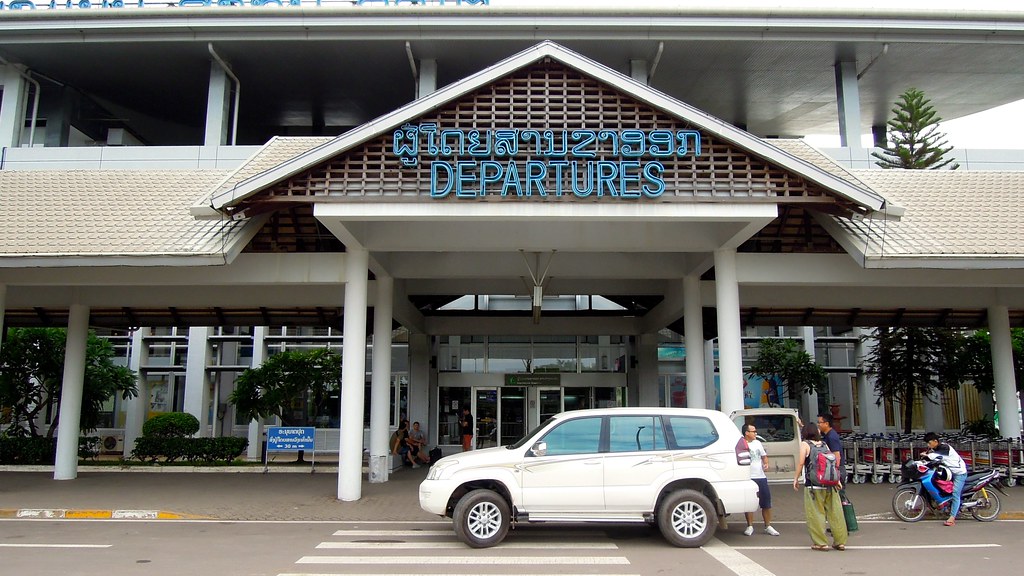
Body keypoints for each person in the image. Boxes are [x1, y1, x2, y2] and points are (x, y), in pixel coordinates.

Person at [794, 423, 848, 551]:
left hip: (814, 485)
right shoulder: (824, 444)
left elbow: (801, 462)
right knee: (835, 513)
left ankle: (821, 543)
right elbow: (833, 462)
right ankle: (840, 542)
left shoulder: (805, 444)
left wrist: (796, 478)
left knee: (816, 513)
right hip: (831, 484)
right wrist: (837, 480)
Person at [922, 431, 968, 526]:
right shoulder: (936, 448)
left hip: (959, 473)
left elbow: (936, 456)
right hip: (950, 473)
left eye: (929, 443)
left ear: (935, 441)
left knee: (955, 493)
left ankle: (952, 518)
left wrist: (927, 456)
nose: (928, 445)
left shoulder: (944, 448)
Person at [742, 423, 780, 536]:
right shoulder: (741, 444)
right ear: (746, 433)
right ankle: (749, 526)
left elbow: (764, 456)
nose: (755, 433)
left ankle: (768, 525)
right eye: (753, 431)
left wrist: (766, 464)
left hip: (760, 476)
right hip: (748, 477)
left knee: (766, 502)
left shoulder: (758, 443)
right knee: (749, 502)